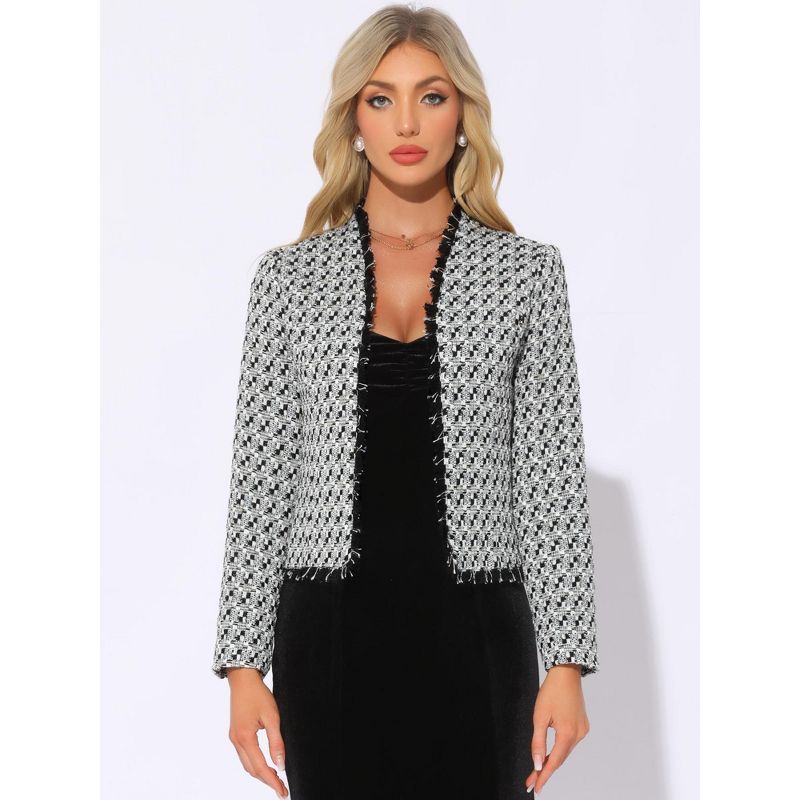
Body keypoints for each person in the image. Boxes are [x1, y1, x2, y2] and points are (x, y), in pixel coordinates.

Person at [211, 6, 599, 799]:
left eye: (432, 96)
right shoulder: (287, 280)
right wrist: (244, 666)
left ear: (464, 114)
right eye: (381, 99)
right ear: (353, 119)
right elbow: (261, 480)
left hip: (478, 632)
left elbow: (551, 479)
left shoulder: (527, 275)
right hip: (328, 636)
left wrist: (566, 664)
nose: (408, 123)